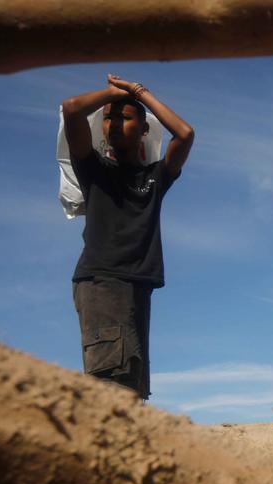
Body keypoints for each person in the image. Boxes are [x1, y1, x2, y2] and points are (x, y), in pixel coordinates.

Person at [61, 75, 195, 399]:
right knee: (112, 385)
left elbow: (185, 134)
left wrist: (139, 93)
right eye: (109, 117)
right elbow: (72, 109)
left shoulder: (154, 178)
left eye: (125, 116)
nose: (115, 123)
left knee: (132, 386)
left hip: (137, 285)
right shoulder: (94, 169)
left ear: (145, 129)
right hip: (102, 281)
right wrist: (114, 93)